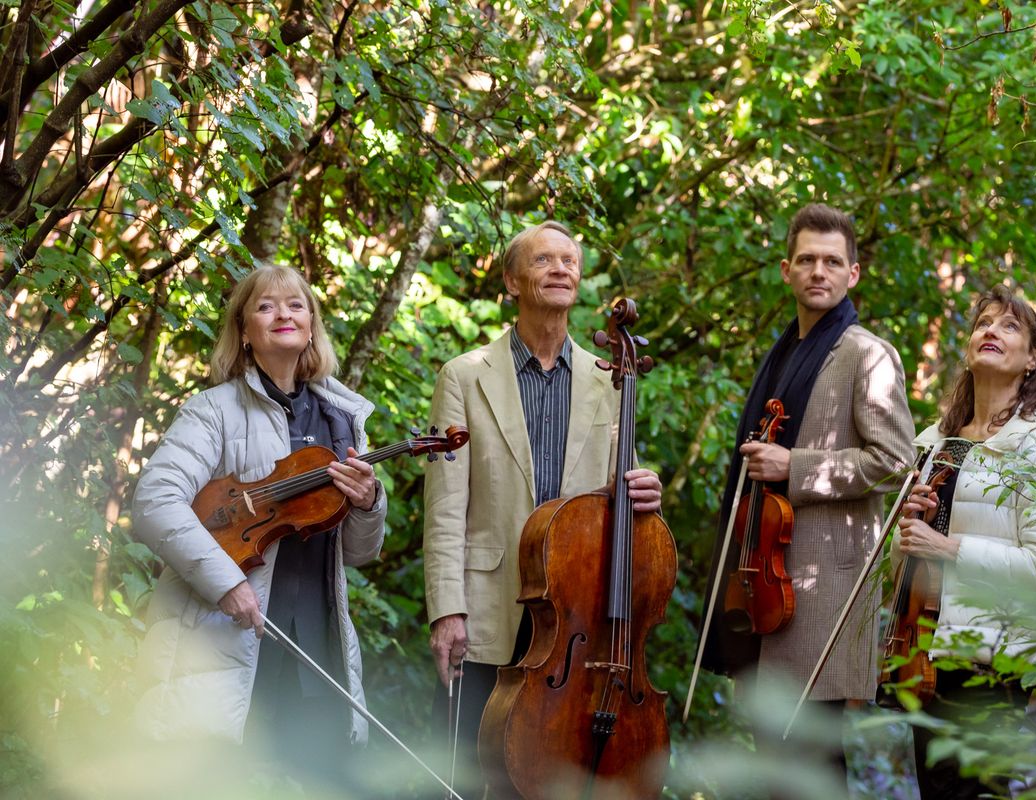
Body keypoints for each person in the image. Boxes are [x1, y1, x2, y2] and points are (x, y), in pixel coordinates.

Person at [422, 220, 662, 797]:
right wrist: (446, 609)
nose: (560, 269)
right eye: (543, 261)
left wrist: (647, 490)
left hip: (579, 610)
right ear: (511, 281)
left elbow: (616, 490)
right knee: (470, 775)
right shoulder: (463, 376)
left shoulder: (610, 378)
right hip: (491, 603)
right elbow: (445, 507)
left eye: (569, 261)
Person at [131, 265, 385, 787]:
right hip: (227, 640)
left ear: (311, 324)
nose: (283, 314)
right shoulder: (214, 411)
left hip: (316, 643)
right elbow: (155, 500)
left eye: (296, 305)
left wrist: (368, 503)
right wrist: (226, 582)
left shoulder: (343, 417)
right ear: (244, 332)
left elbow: (357, 553)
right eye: (266, 306)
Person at [699, 203, 916, 788]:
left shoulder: (867, 354)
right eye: (807, 260)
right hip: (764, 581)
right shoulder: (780, 355)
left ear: (853, 274)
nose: (818, 271)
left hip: (824, 592)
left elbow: (896, 462)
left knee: (812, 765)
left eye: (832, 261)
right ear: (786, 270)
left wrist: (795, 465)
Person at [892, 285, 1036, 799]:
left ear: (1034, 359)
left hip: (989, 658)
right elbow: (899, 563)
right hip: (920, 650)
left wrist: (945, 547)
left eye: (1009, 325)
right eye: (983, 322)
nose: (990, 330)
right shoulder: (935, 441)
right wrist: (905, 533)